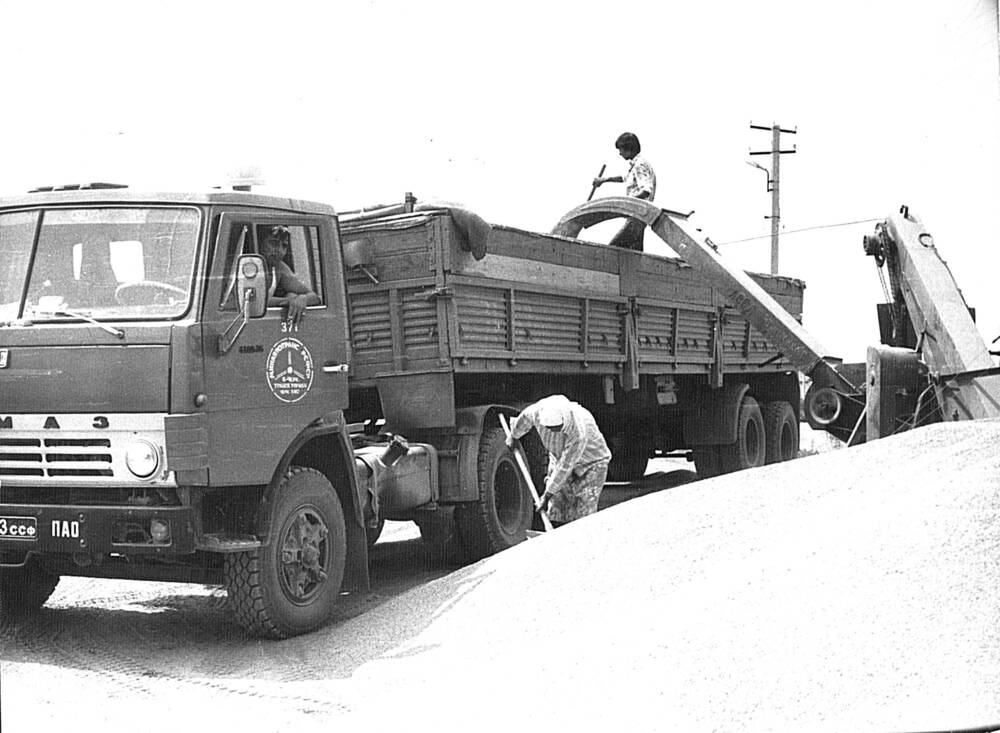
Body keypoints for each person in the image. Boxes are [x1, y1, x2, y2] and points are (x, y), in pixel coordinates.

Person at [505, 394, 611, 527]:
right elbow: (524, 420)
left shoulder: (578, 432)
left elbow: (566, 465)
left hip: (592, 464)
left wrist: (547, 494)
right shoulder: (537, 412)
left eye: (557, 428)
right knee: (557, 508)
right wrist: (514, 436)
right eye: (549, 428)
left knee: (584, 511)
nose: (553, 432)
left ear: (564, 421)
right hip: (559, 457)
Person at [591, 131, 657, 251]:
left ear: (629, 148)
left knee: (612, 250)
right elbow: (624, 178)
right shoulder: (636, 164)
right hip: (638, 216)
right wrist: (604, 180)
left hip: (637, 215)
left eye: (621, 149)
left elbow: (646, 190)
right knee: (633, 253)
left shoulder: (639, 165)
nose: (620, 153)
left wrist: (626, 203)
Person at [260, 225, 319, 324]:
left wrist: (301, 299)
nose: (280, 251)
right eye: (273, 243)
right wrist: (288, 301)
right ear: (260, 243)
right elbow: (255, 302)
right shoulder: (248, 265)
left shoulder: (279, 268)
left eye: (284, 246)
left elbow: (314, 297)